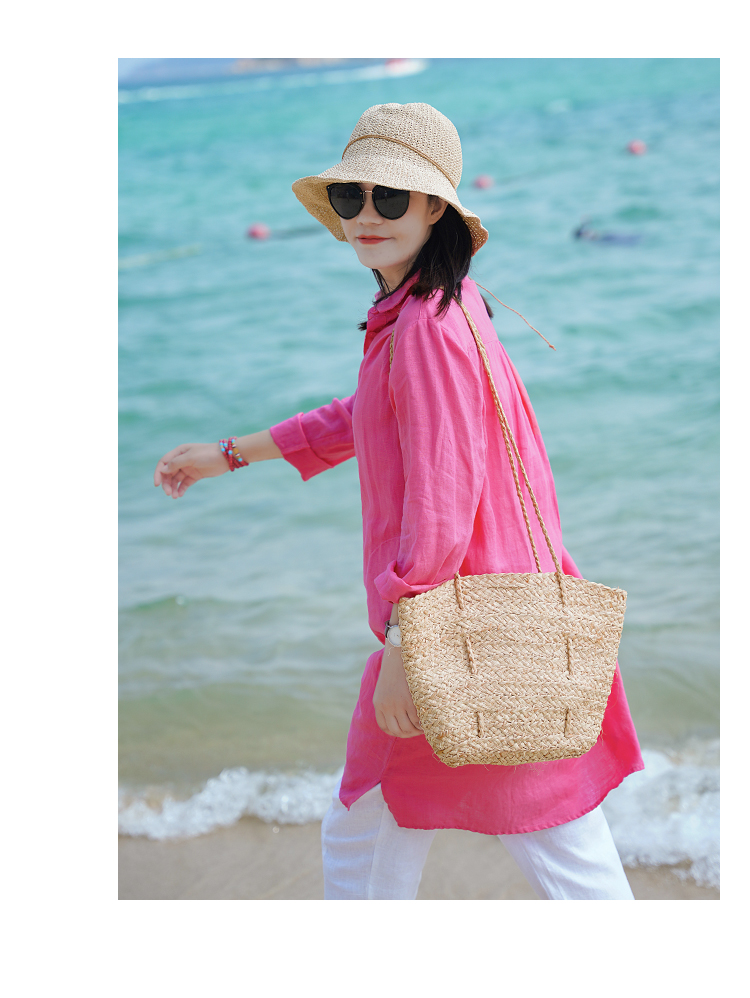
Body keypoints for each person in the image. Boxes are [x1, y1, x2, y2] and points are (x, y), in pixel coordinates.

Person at [154, 102, 644, 901]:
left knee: (410, 833)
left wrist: (404, 650)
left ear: (436, 209)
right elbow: (369, 415)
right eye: (352, 196)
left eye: (391, 196)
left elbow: (443, 508)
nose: (367, 215)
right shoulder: (437, 307)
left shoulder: (425, 326)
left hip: (459, 628)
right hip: (487, 612)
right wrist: (232, 454)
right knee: (447, 832)